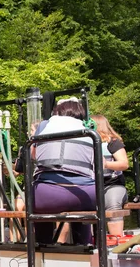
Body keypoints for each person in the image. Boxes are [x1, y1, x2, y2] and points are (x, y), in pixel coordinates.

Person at [31, 98, 95, 245]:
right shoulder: (89, 129)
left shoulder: (44, 126)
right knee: (82, 212)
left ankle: (43, 247)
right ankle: (84, 247)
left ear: (57, 111)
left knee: (38, 208)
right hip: (84, 194)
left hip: (47, 195)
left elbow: (33, 155)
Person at [91, 114, 129, 236]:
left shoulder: (113, 143)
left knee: (112, 204)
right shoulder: (85, 143)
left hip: (113, 184)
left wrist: (106, 164)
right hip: (91, 185)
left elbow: (124, 164)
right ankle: (88, 242)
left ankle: (116, 241)